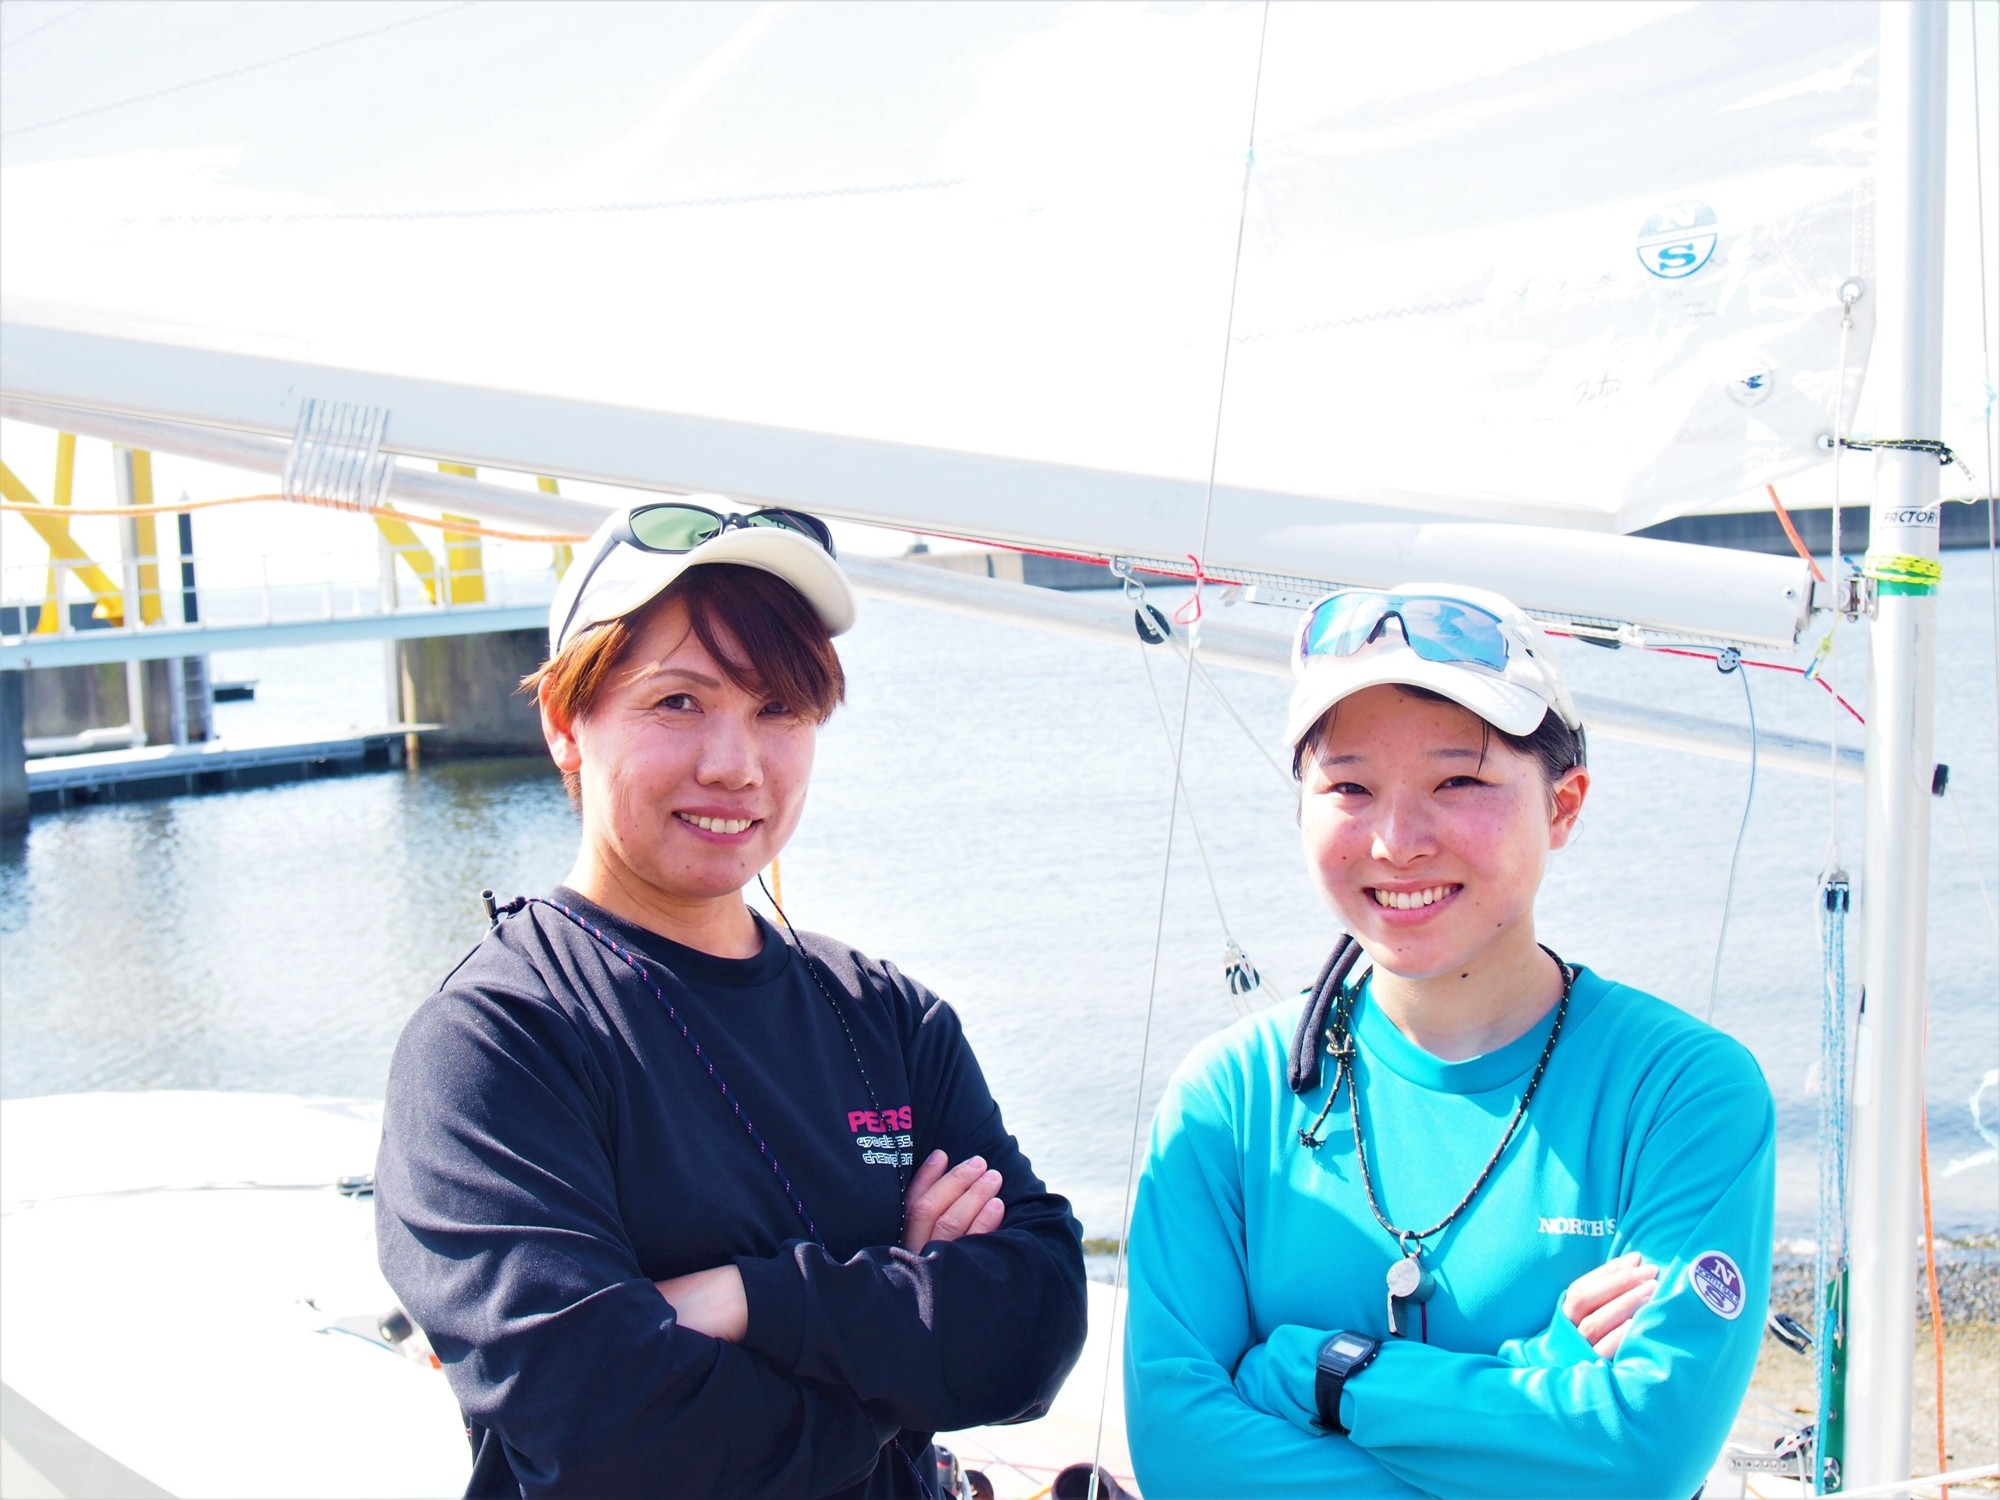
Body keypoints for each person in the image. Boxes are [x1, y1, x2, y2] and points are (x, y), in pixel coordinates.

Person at [376, 498, 1087, 1499]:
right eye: (677, 702)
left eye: (776, 710)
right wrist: (906, 1360)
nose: (734, 764)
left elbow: (1035, 1327)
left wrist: (745, 1300)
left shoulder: (885, 1017)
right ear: (565, 727)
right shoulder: (496, 1046)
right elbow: (604, 1428)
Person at [1124, 583, 1775, 1497]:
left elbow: (1641, 1459)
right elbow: (1182, 1460)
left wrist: (1315, 1373)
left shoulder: (1681, 1092)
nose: (1396, 842)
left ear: (1565, 805)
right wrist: (1531, 1386)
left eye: (1457, 781)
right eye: (1350, 787)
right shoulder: (1229, 1100)